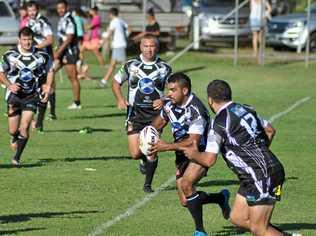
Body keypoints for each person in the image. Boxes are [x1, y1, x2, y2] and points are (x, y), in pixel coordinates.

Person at [181, 80, 286, 236]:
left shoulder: (218, 123)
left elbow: (209, 160)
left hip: (262, 175)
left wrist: (192, 154)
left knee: (259, 229)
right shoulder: (246, 108)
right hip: (254, 175)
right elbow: (270, 130)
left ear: (210, 100)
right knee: (238, 218)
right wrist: (258, 153)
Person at [149, 73, 230, 236]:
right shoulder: (170, 104)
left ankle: (200, 231)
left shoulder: (196, 109)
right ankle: (220, 198)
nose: (169, 94)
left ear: (184, 90)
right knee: (186, 201)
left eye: (173, 90)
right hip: (181, 153)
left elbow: (193, 141)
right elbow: (158, 123)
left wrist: (166, 146)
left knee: (186, 185)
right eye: (168, 90)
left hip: (200, 152)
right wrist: (148, 136)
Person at [112, 35, 172, 193]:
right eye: (146, 46)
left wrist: (164, 99)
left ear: (156, 47)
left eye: (152, 46)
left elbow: (174, 90)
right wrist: (119, 99)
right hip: (135, 113)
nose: (149, 49)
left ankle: (148, 185)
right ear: (140, 47)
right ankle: (143, 161)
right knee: (135, 153)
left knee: (152, 149)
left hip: (156, 115)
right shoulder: (130, 65)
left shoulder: (165, 67)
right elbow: (116, 82)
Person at [0, 27, 53, 166]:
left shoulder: (42, 56)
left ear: (33, 39)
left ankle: (16, 158)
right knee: (13, 130)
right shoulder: (9, 55)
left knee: (24, 127)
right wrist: (9, 85)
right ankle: (13, 137)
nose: (27, 42)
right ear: (19, 40)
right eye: (24, 39)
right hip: (14, 96)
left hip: (32, 96)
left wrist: (47, 86)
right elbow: (1, 73)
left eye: (29, 39)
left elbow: (50, 70)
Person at [26, 1, 56, 133]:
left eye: (33, 10)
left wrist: (37, 47)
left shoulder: (42, 22)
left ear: (37, 10)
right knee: (32, 87)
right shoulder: (29, 22)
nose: (31, 12)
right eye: (29, 10)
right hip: (33, 60)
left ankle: (39, 122)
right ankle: (34, 120)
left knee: (45, 89)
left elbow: (50, 39)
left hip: (43, 59)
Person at [54, 0, 81, 109]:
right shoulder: (62, 19)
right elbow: (61, 37)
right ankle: (49, 98)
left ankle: (77, 103)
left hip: (69, 52)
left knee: (72, 77)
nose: (60, 10)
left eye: (62, 8)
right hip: (62, 52)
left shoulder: (69, 20)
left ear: (67, 7)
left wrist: (59, 51)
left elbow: (69, 38)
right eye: (58, 8)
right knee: (50, 72)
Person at [99, 7, 129, 88]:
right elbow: (129, 29)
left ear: (111, 14)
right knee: (112, 64)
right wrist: (126, 36)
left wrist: (102, 43)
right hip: (118, 45)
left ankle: (130, 81)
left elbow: (109, 34)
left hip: (119, 45)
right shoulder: (121, 21)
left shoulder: (114, 22)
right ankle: (104, 81)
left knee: (125, 65)